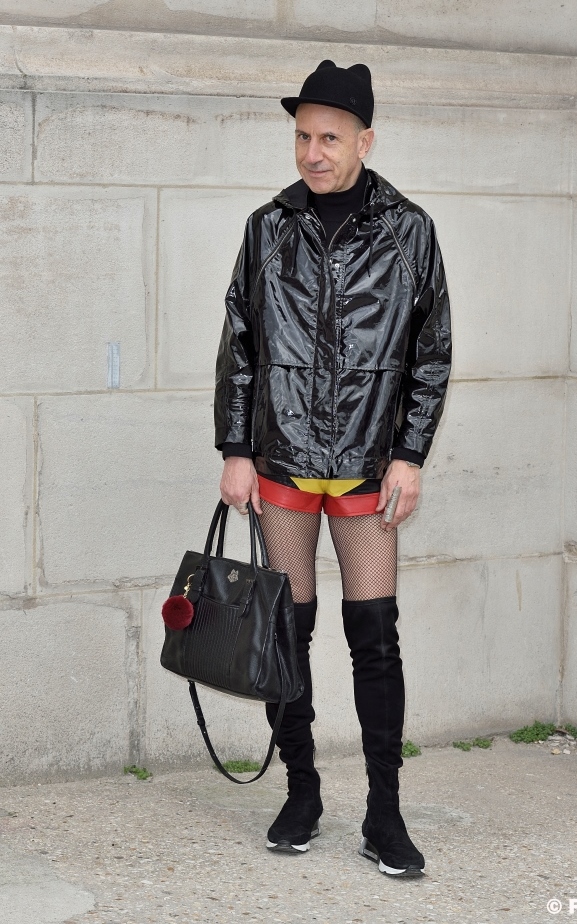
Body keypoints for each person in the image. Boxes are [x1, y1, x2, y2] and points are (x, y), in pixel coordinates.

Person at [215, 60, 451, 877]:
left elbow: (431, 351)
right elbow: (240, 343)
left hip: (365, 465)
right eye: (302, 137)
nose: (312, 153)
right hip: (281, 460)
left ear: (364, 141)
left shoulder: (409, 230)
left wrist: (409, 454)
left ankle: (385, 812)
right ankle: (303, 792)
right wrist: (235, 449)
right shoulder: (266, 227)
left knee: (374, 638)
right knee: (286, 633)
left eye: (329, 138)